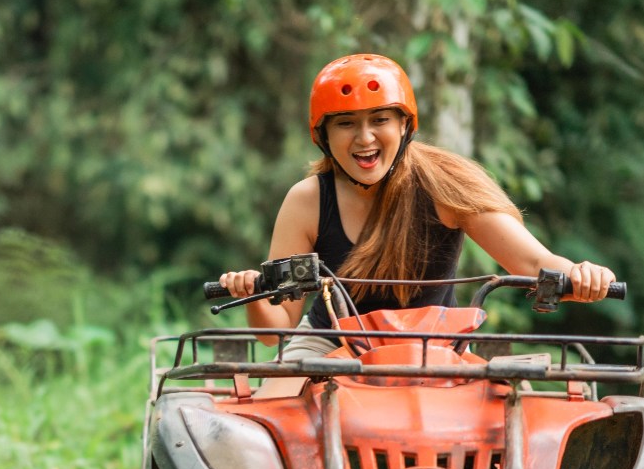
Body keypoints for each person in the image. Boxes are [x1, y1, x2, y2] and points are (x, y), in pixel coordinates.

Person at [219, 53, 615, 377]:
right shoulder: (307, 200)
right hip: (330, 342)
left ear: (405, 125)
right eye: (345, 124)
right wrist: (254, 293)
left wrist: (582, 273)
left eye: (380, 119)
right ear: (323, 137)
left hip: (435, 348)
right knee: (273, 420)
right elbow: (277, 329)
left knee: (509, 420)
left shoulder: (445, 185)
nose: (364, 137)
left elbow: (531, 262)